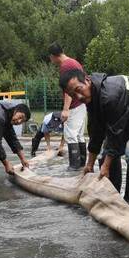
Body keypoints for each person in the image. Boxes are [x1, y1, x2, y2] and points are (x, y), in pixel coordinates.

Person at [60, 70, 129, 208]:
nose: (79, 96)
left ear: (87, 80)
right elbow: (96, 132)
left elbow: (116, 133)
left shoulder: (110, 94)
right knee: (104, 154)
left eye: (79, 89)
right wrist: (89, 165)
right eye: (73, 95)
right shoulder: (93, 98)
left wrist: (105, 166)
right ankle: (114, 198)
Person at [48, 42, 87, 170]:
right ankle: (81, 164)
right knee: (79, 134)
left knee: (70, 134)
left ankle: (74, 166)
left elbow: (70, 89)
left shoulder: (67, 66)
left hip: (75, 104)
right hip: (81, 102)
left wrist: (65, 109)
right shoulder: (72, 62)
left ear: (53, 56)